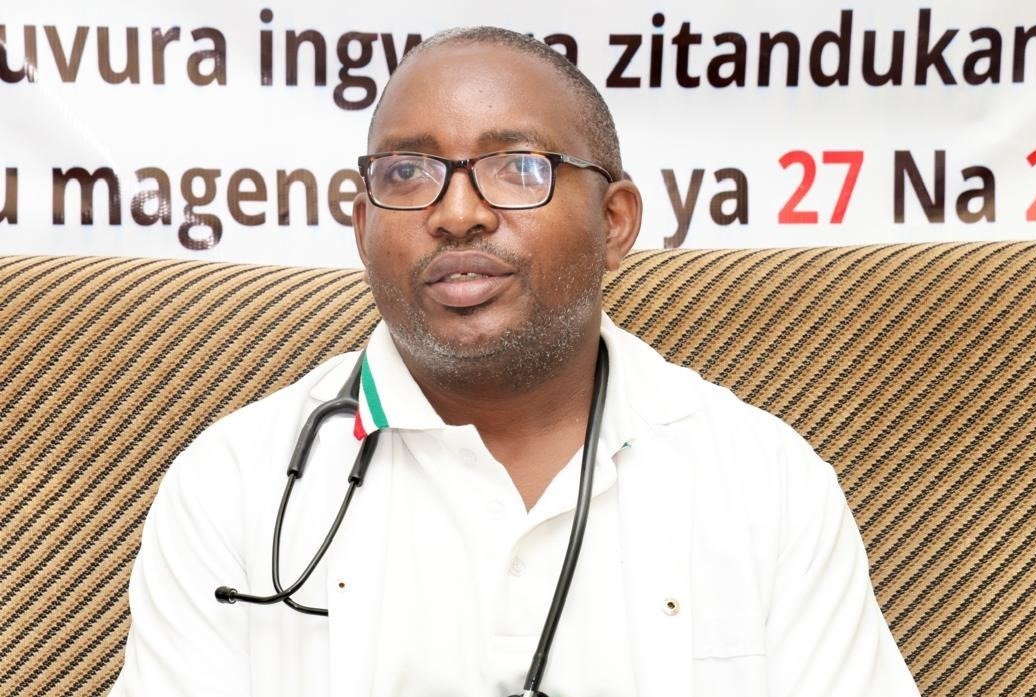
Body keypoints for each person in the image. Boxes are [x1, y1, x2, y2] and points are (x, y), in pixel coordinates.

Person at [111, 26, 921, 697]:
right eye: (407, 173)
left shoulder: (765, 481)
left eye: (519, 167)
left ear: (614, 221)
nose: (458, 213)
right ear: (362, 227)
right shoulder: (233, 484)